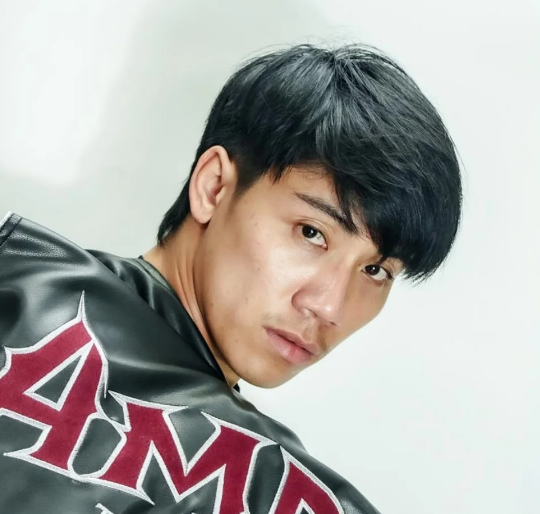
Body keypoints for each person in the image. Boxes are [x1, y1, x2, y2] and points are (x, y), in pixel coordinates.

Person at [0, 44, 461, 513]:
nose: (329, 306)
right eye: (311, 233)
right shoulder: (275, 491)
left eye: (375, 270)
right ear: (214, 187)